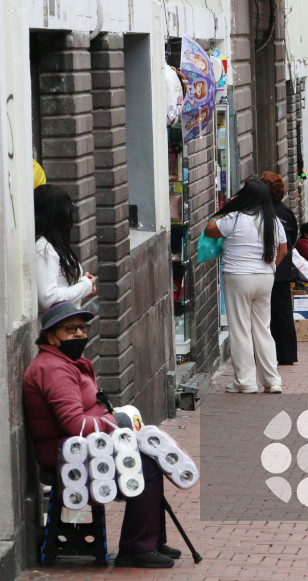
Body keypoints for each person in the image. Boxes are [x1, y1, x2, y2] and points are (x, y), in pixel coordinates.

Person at [23, 302, 178, 568]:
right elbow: (75, 425)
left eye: (82, 328)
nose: (79, 334)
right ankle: (137, 547)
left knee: (152, 453)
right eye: (70, 329)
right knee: (147, 466)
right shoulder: (54, 369)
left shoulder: (65, 362)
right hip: (68, 457)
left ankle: (152, 541)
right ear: (51, 336)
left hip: (85, 447)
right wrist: (116, 422)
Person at [204, 179, 287, 394]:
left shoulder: (235, 218)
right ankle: (272, 381)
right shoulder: (273, 221)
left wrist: (229, 205)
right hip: (265, 278)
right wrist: (269, 268)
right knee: (263, 329)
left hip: (238, 277)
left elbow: (210, 229)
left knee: (240, 329)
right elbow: (284, 250)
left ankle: (245, 381)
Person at [33, 185, 97, 313]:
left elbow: (61, 287)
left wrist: (81, 284)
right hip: (57, 329)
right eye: (67, 210)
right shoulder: (43, 248)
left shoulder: (54, 246)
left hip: (68, 324)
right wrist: (85, 285)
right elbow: (47, 298)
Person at [261, 171, 298, 366]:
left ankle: (270, 354)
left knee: (265, 313)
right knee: (283, 312)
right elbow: (293, 239)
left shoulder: (262, 213)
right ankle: (286, 353)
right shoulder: (286, 212)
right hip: (282, 269)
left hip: (268, 267)